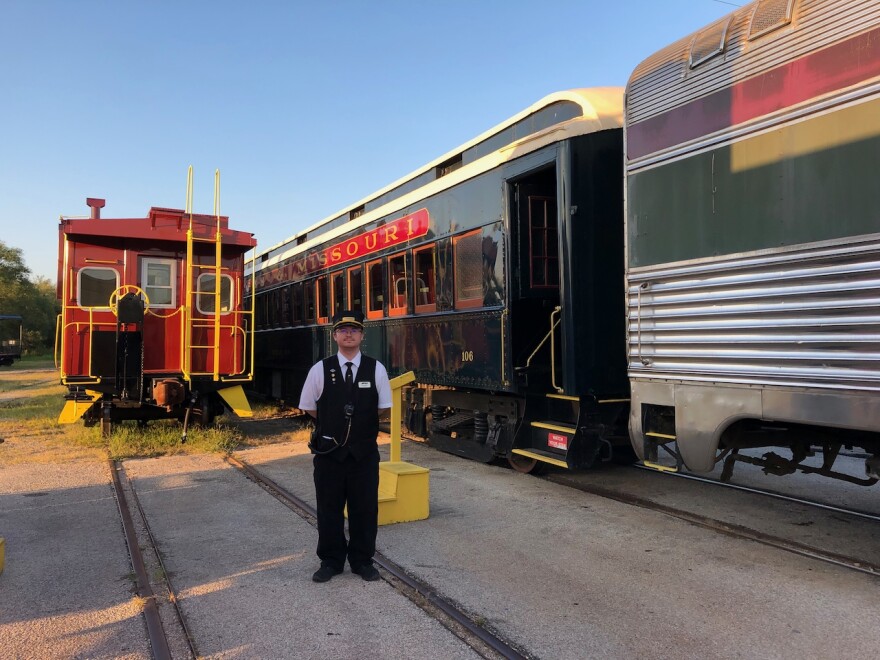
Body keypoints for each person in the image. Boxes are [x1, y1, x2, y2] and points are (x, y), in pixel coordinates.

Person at [298, 309, 392, 582]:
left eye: (354, 330)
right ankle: (331, 561)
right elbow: (310, 408)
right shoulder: (320, 369)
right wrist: (334, 426)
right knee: (329, 509)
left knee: (365, 508)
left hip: (363, 455)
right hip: (329, 455)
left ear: (362, 335)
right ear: (335, 335)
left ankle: (362, 561)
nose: (348, 334)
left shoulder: (376, 369)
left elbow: (383, 409)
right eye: (343, 330)